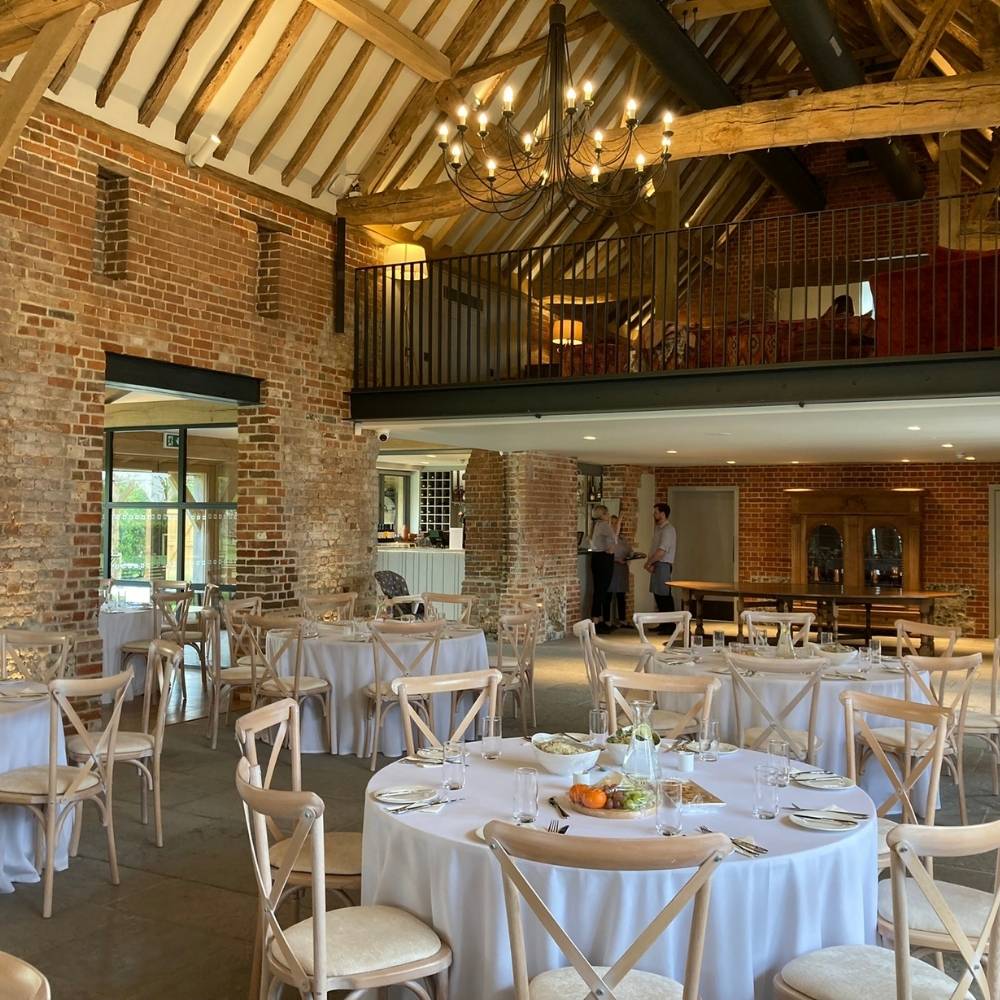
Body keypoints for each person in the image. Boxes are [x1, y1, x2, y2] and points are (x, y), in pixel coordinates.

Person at [644, 502, 677, 629]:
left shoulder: (668, 530)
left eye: (656, 512)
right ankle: (663, 623)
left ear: (663, 514)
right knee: (657, 594)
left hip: (663, 564)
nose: (654, 514)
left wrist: (649, 562)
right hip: (656, 564)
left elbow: (661, 551)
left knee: (664, 594)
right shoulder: (658, 529)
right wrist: (651, 562)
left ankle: (670, 625)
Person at [589, 504, 616, 634]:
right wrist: (610, 551)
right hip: (604, 559)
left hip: (595, 559)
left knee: (598, 590)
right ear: (604, 514)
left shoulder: (596, 525)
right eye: (607, 513)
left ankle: (597, 619)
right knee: (602, 590)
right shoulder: (604, 525)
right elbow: (613, 540)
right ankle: (597, 622)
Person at [609, 515, 637, 628]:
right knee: (609, 595)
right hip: (612, 568)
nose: (616, 526)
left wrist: (631, 555)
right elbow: (606, 553)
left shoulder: (623, 539)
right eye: (614, 523)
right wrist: (616, 559)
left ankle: (622, 619)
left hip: (623, 569)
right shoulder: (608, 538)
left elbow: (629, 550)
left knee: (621, 596)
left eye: (617, 523)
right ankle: (608, 620)